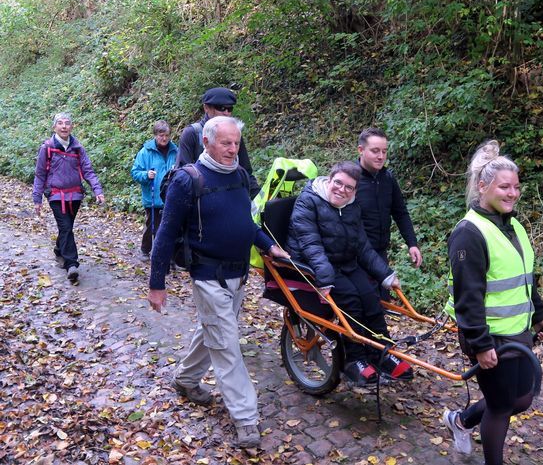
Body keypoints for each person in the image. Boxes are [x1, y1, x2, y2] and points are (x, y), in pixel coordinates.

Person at [147, 116, 289, 449]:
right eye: (226, 143)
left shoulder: (239, 175)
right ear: (207, 142)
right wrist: (156, 282)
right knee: (226, 346)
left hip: (239, 275)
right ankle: (246, 417)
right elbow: (165, 234)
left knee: (213, 331)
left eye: (236, 143)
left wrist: (268, 245)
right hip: (208, 276)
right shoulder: (188, 180)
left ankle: (185, 379)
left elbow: (246, 223)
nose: (232, 149)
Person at [442, 140, 543, 465]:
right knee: (502, 406)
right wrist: (479, 343)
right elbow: (468, 296)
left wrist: (539, 314)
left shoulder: (512, 224)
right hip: (489, 337)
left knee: (522, 398)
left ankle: (460, 420)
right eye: (504, 187)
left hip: (517, 331)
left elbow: (523, 275)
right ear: (482, 186)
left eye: (516, 187)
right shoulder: (469, 233)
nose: (512, 193)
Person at [286, 161, 413, 385]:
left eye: (349, 188)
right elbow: (311, 245)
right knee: (352, 303)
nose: (342, 190)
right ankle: (355, 360)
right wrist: (324, 280)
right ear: (330, 179)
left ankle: (382, 353)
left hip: (345, 263)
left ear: (355, 191)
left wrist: (386, 275)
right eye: (338, 183)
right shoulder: (309, 202)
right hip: (316, 265)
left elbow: (362, 246)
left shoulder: (352, 206)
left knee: (372, 299)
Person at [32, 112, 105, 281]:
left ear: (71, 127)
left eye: (67, 123)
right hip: (56, 196)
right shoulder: (47, 148)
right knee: (65, 227)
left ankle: (59, 250)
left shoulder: (78, 148)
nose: (64, 126)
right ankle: (71, 264)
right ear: (54, 127)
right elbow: (40, 174)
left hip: (75, 195)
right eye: (60, 123)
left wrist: (97, 190)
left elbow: (88, 170)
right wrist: (37, 198)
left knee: (67, 228)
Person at [356, 128, 422, 269]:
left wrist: (412, 243)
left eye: (384, 151)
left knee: (384, 291)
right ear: (360, 150)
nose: (381, 156)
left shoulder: (387, 178)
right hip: (356, 256)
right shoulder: (349, 179)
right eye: (375, 151)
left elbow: (400, 213)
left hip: (381, 253)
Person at [175, 86, 259, 198]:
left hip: (231, 196)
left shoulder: (233, 133)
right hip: (203, 200)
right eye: (221, 108)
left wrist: (260, 199)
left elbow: (246, 171)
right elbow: (182, 175)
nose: (226, 113)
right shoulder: (192, 133)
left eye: (230, 109)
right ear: (206, 108)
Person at [130, 120, 178, 260]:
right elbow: (135, 172)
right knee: (153, 225)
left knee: (170, 228)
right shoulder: (145, 152)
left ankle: (168, 255)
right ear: (155, 135)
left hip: (171, 196)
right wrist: (146, 175)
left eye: (166, 135)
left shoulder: (176, 151)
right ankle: (145, 249)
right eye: (161, 135)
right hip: (153, 197)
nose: (164, 138)